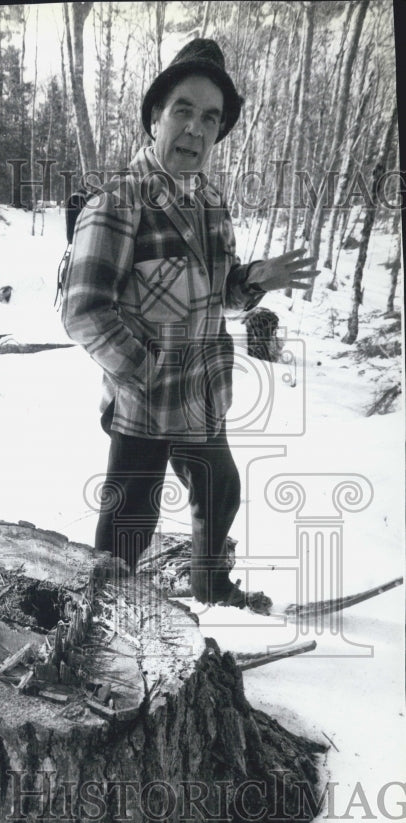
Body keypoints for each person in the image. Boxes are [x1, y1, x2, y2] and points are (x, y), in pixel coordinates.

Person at [61, 38, 317, 606]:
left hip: (203, 389)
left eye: (210, 117)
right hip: (147, 400)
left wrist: (254, 278)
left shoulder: (211, 203)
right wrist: (147, 372)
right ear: (155, 116)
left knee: (219, 489)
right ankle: (99, 622)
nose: (196, 130)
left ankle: (209, 583)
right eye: (183, 109)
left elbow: (220, 294)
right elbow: (83, 312)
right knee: (129, 525)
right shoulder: (117, 202)